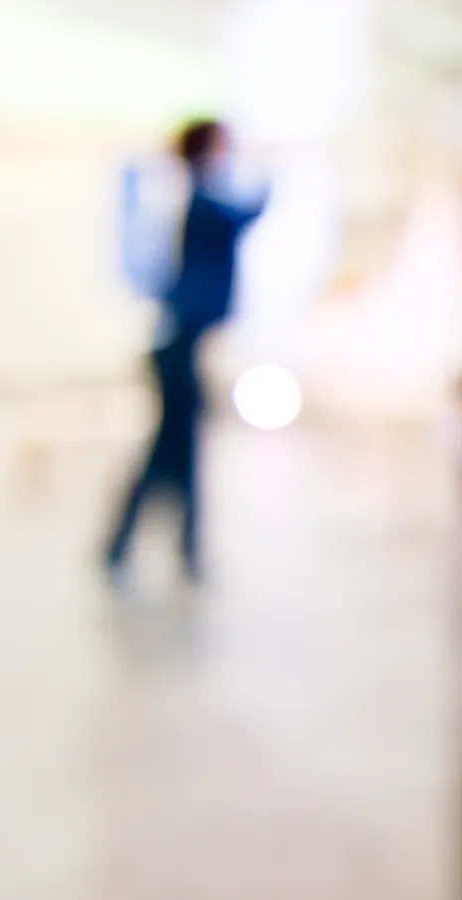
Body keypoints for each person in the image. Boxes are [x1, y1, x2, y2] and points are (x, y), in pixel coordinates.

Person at [106, 118, 264, 585]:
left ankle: (173, 548)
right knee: (169, 455)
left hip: (183, 348)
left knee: (178, 455)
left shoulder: (196, 194)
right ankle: (141, 548)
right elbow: (245, 215)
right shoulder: (202, 197)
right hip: (178, 351)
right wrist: (277, 175)